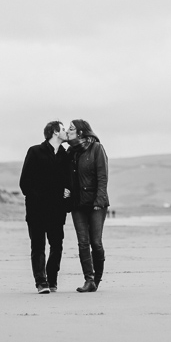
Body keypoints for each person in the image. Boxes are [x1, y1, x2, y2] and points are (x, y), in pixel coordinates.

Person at [19, 121, 71, 294]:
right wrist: (38, 198)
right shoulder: (35, 151)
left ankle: (52, 280)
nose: (66, 132)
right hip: (37, 210)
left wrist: (68, 192)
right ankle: (41, 282)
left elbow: (68, 182)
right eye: (63, 129)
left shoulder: (65, 155)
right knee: (38, 246)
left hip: (57, 210)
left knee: (57, 246)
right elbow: (24, 182)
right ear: (55, 132)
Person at [65, 119, 109, 293]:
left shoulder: (97, 148)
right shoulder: (70, 152)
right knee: (82, 243)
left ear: (81, 132)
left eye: (71, 129)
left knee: (95, 242)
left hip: (96, 202)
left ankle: (96, 279)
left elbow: (102, 176)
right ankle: (88, 280)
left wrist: (99, 201)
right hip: (77, 203)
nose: (68, 131)